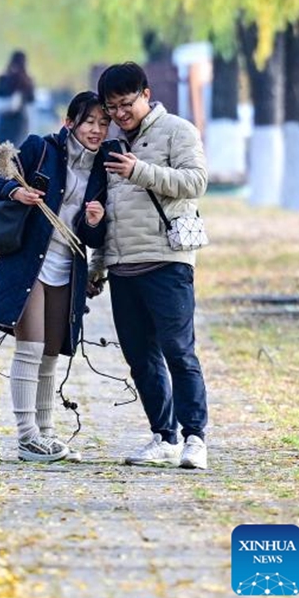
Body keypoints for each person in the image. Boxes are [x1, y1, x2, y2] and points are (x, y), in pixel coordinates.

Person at [0, 92, 110, 463]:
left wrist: (96, 222)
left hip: (69, 268)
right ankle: (26, 436)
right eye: (88, 122)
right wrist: (16, 191)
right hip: (29, 265)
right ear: (70, 123)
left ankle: (46, 434)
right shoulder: (41, 149)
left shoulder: (103, 168)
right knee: (30, 348)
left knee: (51, 353)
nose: (96, 130)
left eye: (102, 122)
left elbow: (94, 237)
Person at [89, 62, 209, 471]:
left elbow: (195, 182)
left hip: (167, 260)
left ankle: (196, 439)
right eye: (112, 108)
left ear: (145, 93)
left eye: (126, 104)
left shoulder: (178, 130)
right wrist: (98, 265)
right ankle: (164, 437)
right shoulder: (111, 144)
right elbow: (109, 212)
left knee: (179, 351)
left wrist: (138, 170)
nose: (120, 114)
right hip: (123, 266)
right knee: (140, 357)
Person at [0, 50, 35, 147]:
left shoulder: (3, 78)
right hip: (20, 121)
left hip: (5, 119)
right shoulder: (28, 80)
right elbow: (31, 100)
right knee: (17, 150)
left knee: (3, 151)